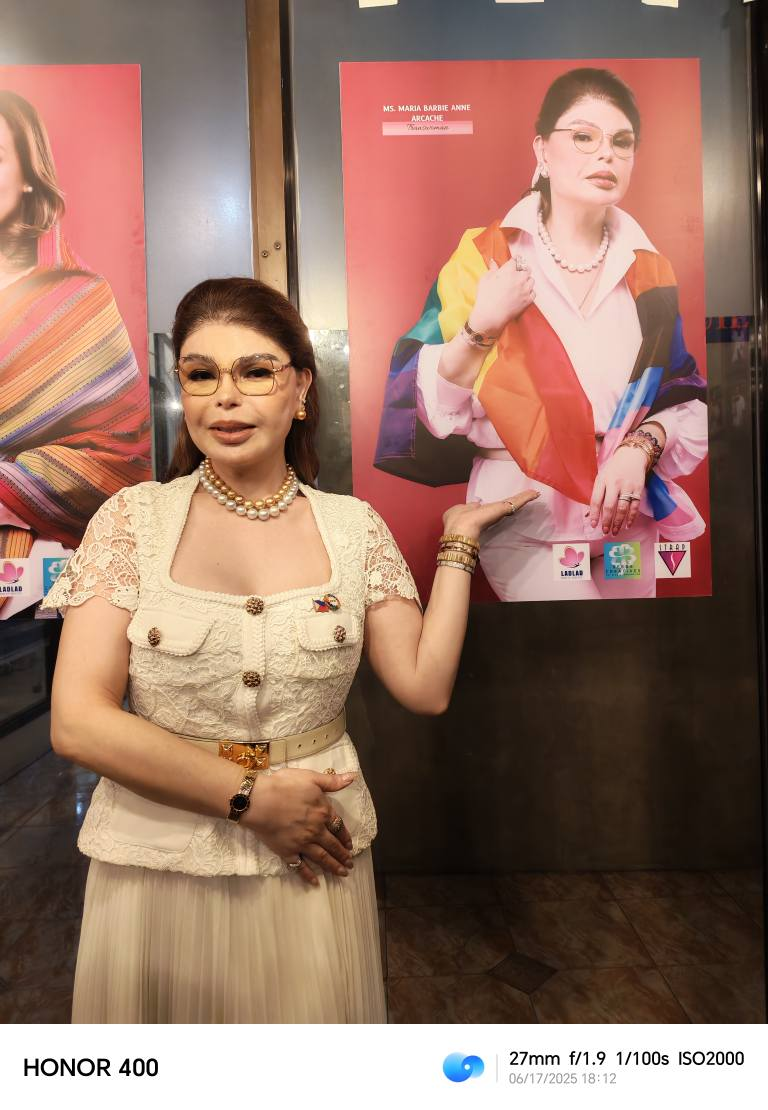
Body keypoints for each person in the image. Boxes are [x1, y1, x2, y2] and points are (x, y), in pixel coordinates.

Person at [42, 276, 538, 1023]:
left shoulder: (353, 527)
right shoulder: (130, 521)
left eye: (255, 371)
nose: (225, 398)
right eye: (201, 374)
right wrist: (246, 798)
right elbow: (77, 721)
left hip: (311, 857)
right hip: (158, 863)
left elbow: (424, 685)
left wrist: (458, 545)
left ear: (301, 387)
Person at [374, 68, 708, 601]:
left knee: (628, 648)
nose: (606, 154)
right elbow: (436, 406)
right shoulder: (484, 255)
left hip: (626, 514)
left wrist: (640, 446)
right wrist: (482, 325)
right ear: (542, 150)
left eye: (622, 142)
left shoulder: (650, 268)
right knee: (571, 650)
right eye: (584, 136)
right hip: (526, 513)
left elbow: (683, 394)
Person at [0, 89, 150, 616]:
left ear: (27, 174)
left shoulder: (79, 299)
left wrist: (9, 485)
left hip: (31, 588)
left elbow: (121, 457)